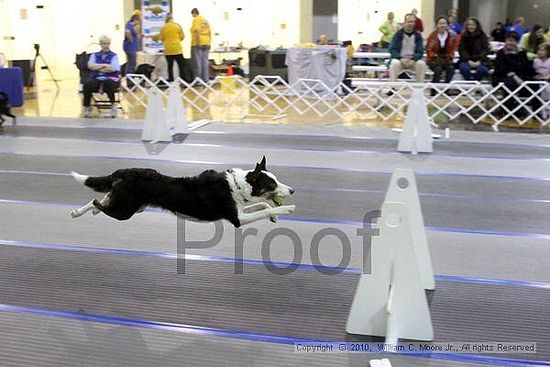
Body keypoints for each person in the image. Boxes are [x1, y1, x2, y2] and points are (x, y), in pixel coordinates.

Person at [492, 31, 540, 117]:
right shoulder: (500, 53)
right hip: (503, 76)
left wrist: (536, 75)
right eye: (508, 40)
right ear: (505, 41)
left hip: (521, 77)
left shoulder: (522, 53)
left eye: (513, 41)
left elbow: (527, 67)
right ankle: (507, 110)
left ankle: (536, 112)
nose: (510, 43)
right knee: (511, 84)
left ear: (517, 42)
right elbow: (501, 68)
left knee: (535, 84)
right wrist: (514, 76)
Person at [83, 35, 121, 118]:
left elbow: (113, 69)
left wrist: (98, 67)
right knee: (87, 84)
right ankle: (86, 107)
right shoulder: (94, 55)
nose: (106, 45)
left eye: (108, 43)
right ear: (100, 44)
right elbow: (90, 66)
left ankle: (113, 105)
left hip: (110, 78)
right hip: (96, 78)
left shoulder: (114, 56)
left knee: (109, 83)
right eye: (104, 43)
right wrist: (105, 65)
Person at [388, 13, 426, 87]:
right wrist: (400, 58)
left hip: (413, 61)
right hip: (400, 60)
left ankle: (419, 89)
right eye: (409, 21)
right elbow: (392, 49)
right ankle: (392, 88)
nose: (411, 24)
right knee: (394, 64)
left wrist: (414, 59)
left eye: (412, 22)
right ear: (404, 22)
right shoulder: (397, 35)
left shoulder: (418, 36)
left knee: (421, 64)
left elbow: (420, 51)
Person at [426, 16, 458, 94]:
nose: (442, 25)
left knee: (451, 69)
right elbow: (428, 49)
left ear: (447, 24)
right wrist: (434, 56)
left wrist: (449, 56)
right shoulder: (432, 36)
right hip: (434, 59)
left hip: (446, 59)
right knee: (438, 70)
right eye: (440, 23)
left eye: (444, 23)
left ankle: (446, 89)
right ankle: (433, 89)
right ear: (437, 25)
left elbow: (453, 49)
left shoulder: (452, 36)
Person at [152, 13, 186, 83]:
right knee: (181, 65)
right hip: (177, 49)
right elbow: (182, 37)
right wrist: (177, 39)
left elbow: (161, 38)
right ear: (172, 19)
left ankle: (171, 80)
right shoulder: (177, 26)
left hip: (168, 49)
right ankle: (183, 79)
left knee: (170, 65)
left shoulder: (164, 27)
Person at [190, 8, 211, 82]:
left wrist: (198, 42)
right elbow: (209, 32)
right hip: (207, 42)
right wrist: (209, 43)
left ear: (194, 13)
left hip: (198, 43)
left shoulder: (196, 19)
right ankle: (206, 79)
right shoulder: (205, 20)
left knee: (197, 62)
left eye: (192, 15)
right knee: (205, 62)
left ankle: (198, 80)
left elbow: (197, 31)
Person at [533, 44, 550, 119]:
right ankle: (542, 109)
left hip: (548, 81)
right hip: (538, 81)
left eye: (542, 50)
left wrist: (548, 77)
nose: (539, 52)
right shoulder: (535, 61)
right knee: (540, 88)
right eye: (538, 50)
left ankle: (547, 108)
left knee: (547, 88)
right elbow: (533, 72)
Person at [123, 14, 140, 85]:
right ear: (135, 20)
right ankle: (130, 82)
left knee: (131, 63)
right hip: (130, 48)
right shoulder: (129, 24)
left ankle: (130, 81)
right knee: (131, 64)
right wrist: (131, 40)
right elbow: (127, 32)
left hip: (132, 48)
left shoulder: (131, 26)